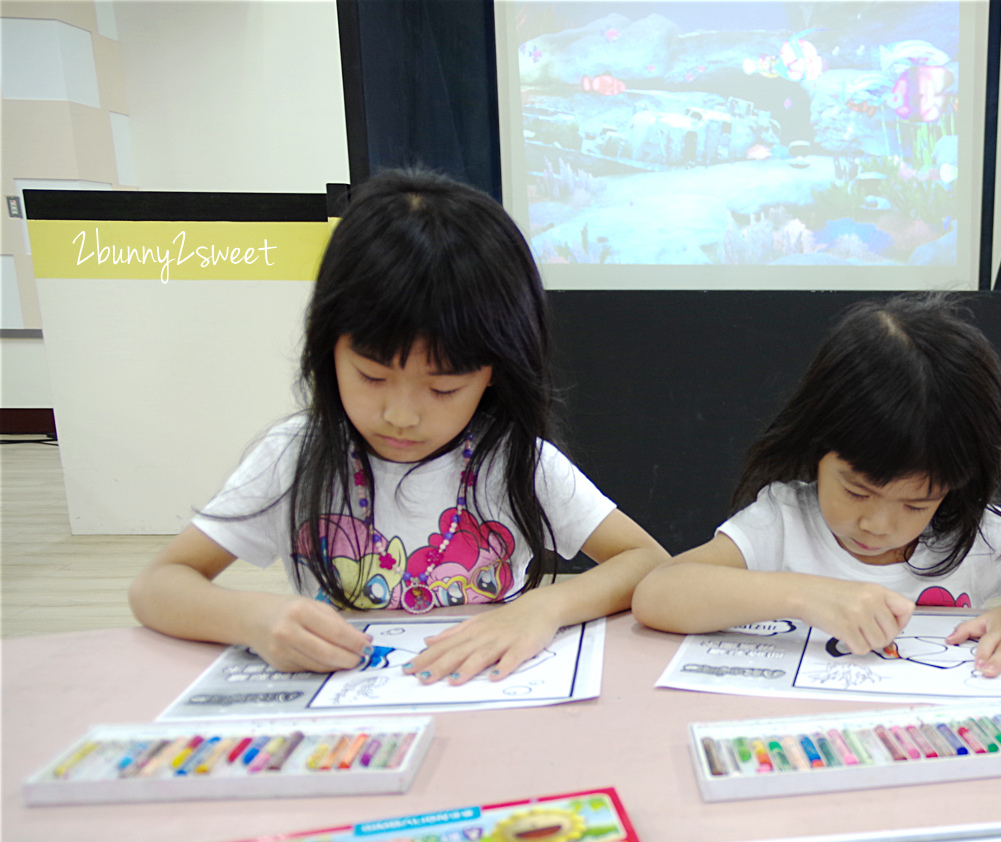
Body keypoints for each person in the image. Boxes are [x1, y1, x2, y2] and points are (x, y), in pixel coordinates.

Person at [130, 169, 667, 684]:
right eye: (371, 375)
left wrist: (543, 608)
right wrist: (250, 619)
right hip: (347, 718)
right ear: (327, 349)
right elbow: (157, 586)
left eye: (443, 389)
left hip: (485, 702)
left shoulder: (516, 458)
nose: (401, 415)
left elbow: (646, 561)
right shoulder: (293, 456)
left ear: (495, 374)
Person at [632, 294, 1001, 679]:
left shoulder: (971, 536)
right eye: (856, 491)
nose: (878, 523)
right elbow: (657, 593)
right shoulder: (784, 521)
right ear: (818, 447)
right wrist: (803, 596)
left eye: (916, 503)